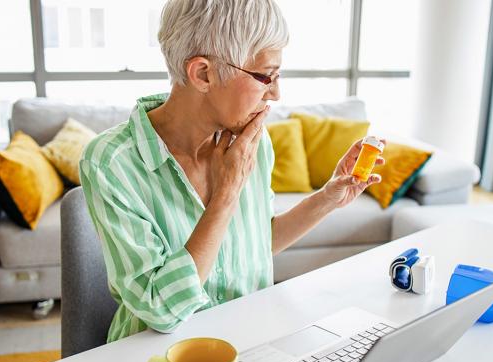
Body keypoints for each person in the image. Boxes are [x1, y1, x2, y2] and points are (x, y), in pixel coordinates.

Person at [79, 0, 384, 342]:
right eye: (265, 76)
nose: (276, 93)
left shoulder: (254, 142)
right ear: (203, 74)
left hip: (248, 341)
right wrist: (226, 194)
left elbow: (254, 245)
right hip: (157, 357)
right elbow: (159, 310)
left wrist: (328, 198)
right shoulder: (111, 162)